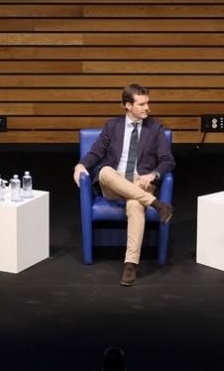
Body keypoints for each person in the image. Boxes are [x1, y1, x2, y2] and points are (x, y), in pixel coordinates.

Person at [73, 83, 175, 286]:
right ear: (127, 105)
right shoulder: (113, 126)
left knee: (135, 204)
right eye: (142, 104)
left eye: (148, 103)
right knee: (104, 172)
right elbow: (96, 153)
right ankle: (156, 204)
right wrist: (80, 165)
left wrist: (153, 174)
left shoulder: (155, 128)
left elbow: (167, 160)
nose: (148, 108)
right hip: (114, 181)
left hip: (141, 182)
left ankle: (130, 265)